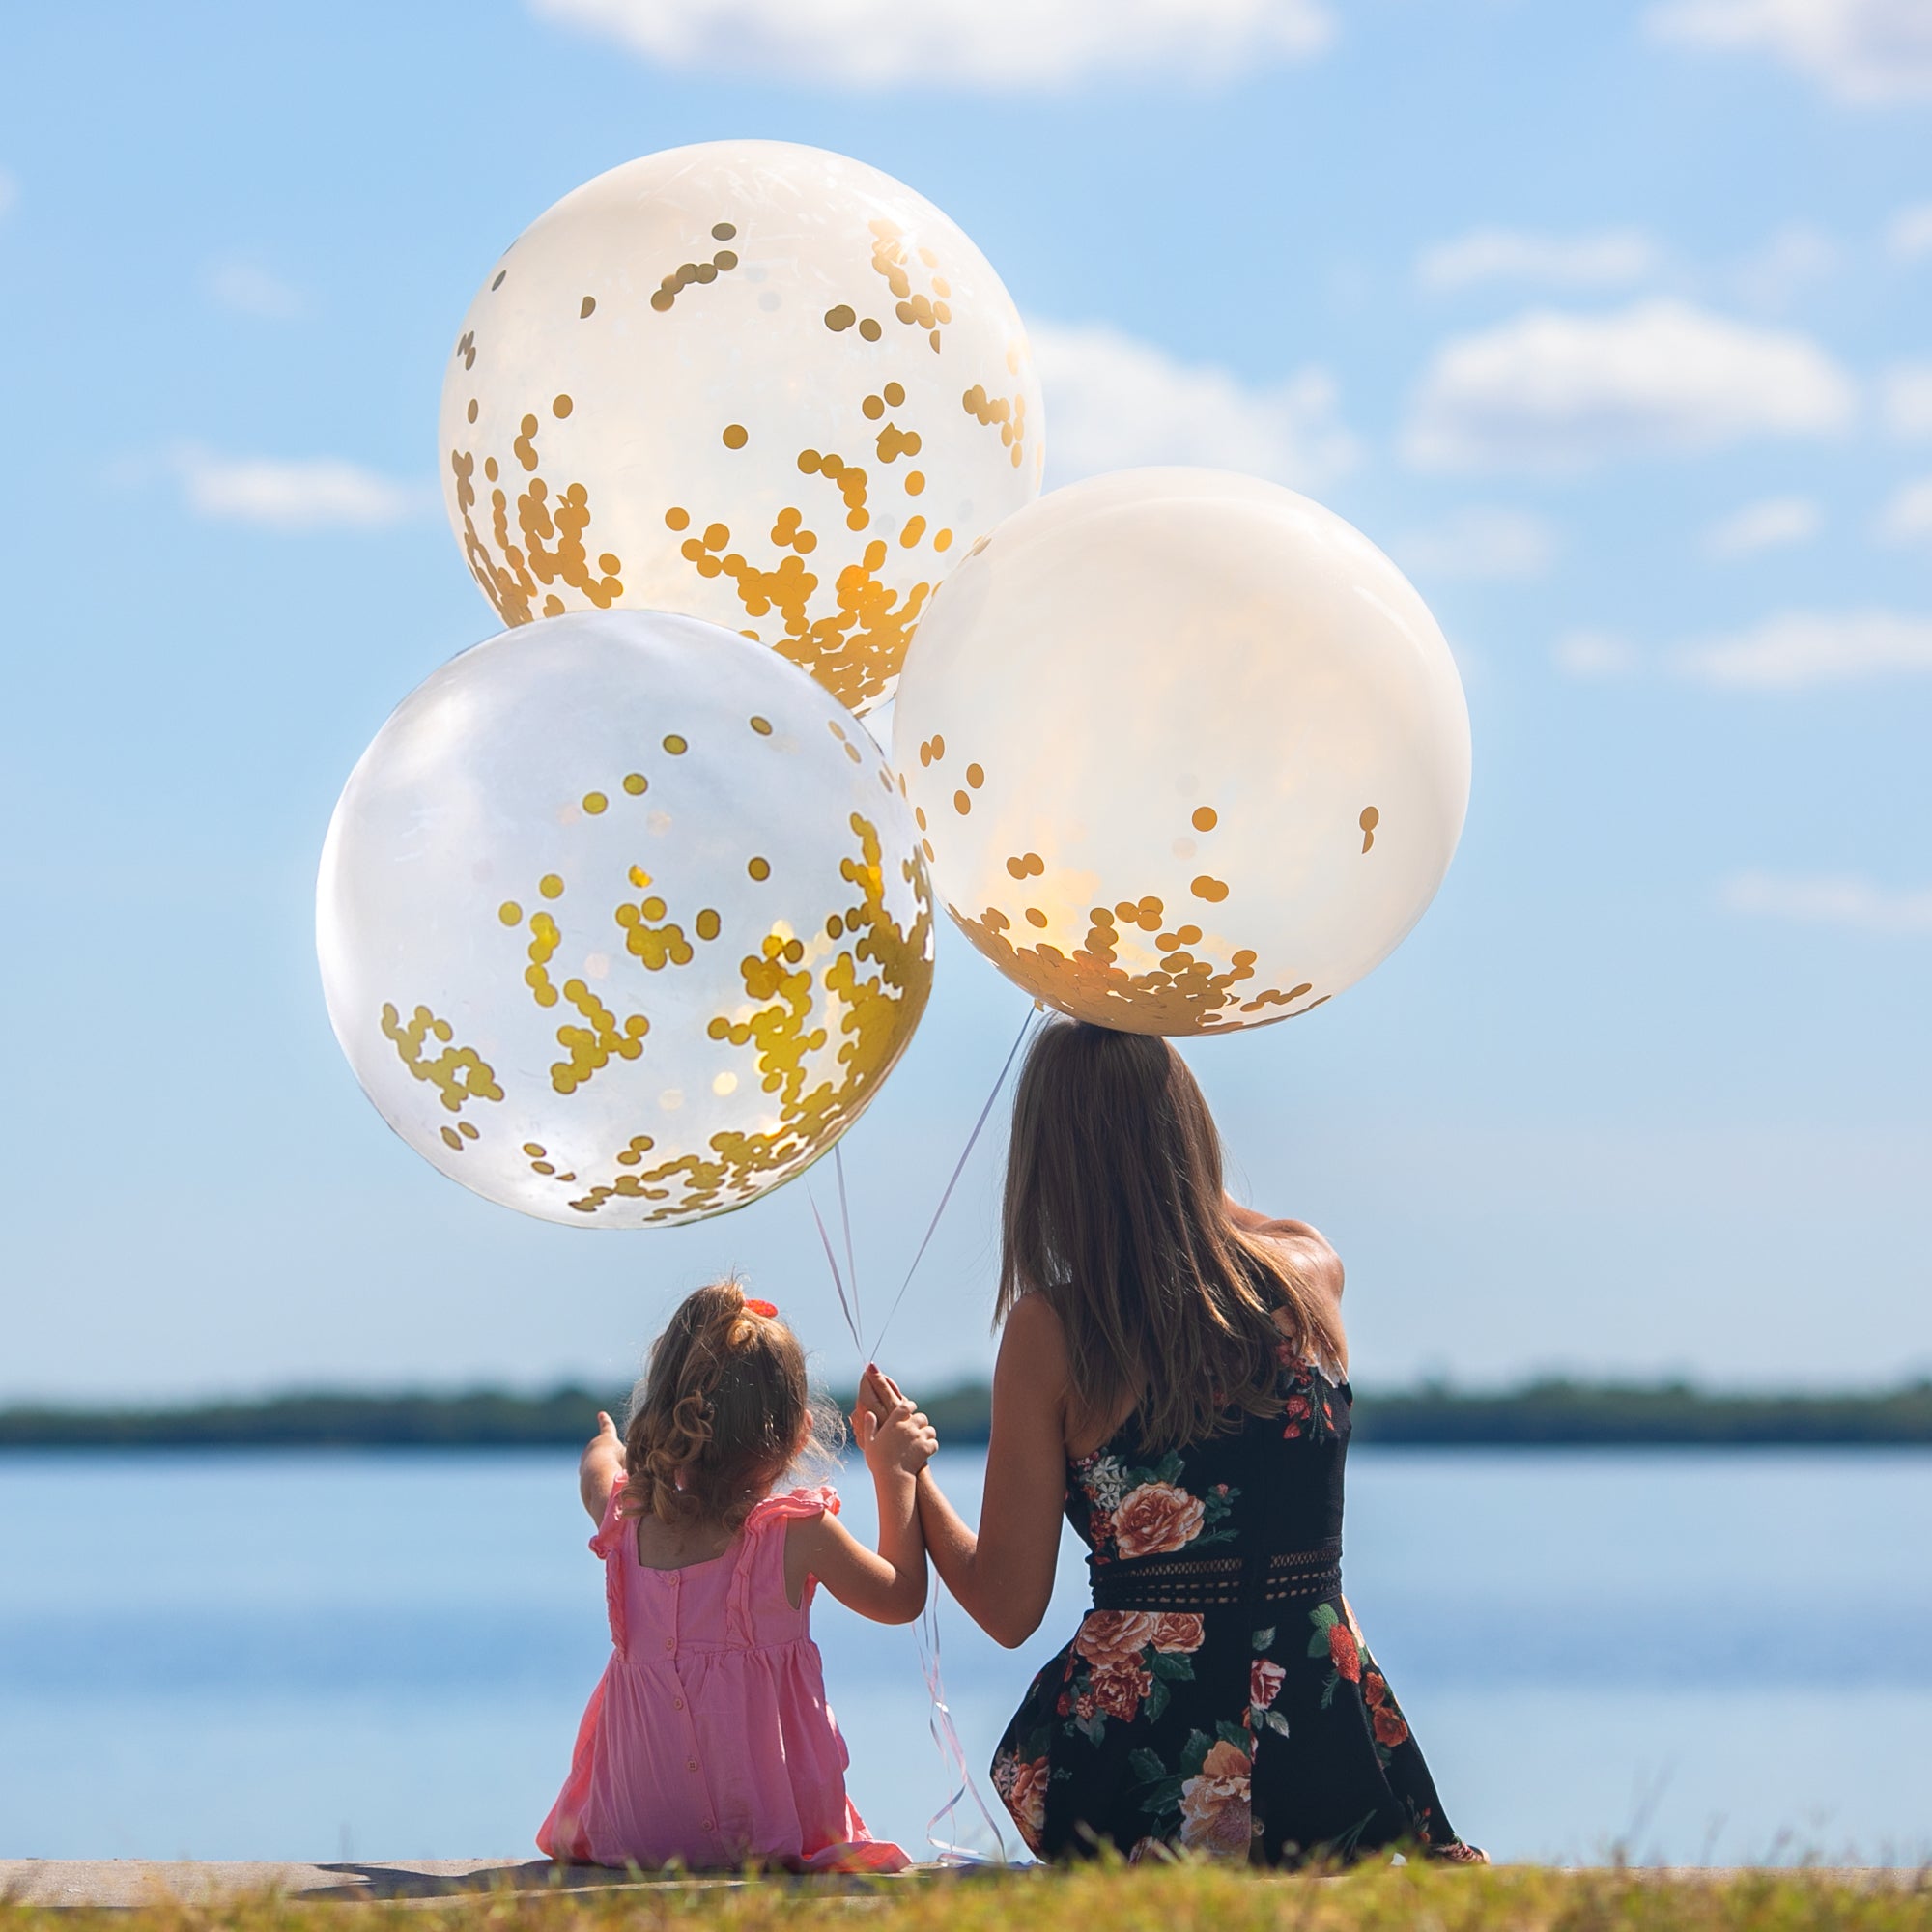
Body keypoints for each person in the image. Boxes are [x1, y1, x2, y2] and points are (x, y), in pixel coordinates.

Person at [868, 1018, 1484, 1867]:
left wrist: (906, 1475)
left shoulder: (1053, 1329)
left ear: (1050, 1161)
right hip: (1323, 1732)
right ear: (1188, 1125)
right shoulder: (1311, 1271)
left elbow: (1007, 1607)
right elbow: (1217, 1228)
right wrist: (1185, 1178)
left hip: (1147, 1752)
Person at [539, 1281, 936, 1872]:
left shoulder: (625, 1519)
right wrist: (893, 1472)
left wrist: (607, 1443)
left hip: (638, 1830)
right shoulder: (794, 1534)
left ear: (669, 1421)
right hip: (768, 1828)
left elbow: (596, 1473)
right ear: (798, 1432)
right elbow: (901, 1595)